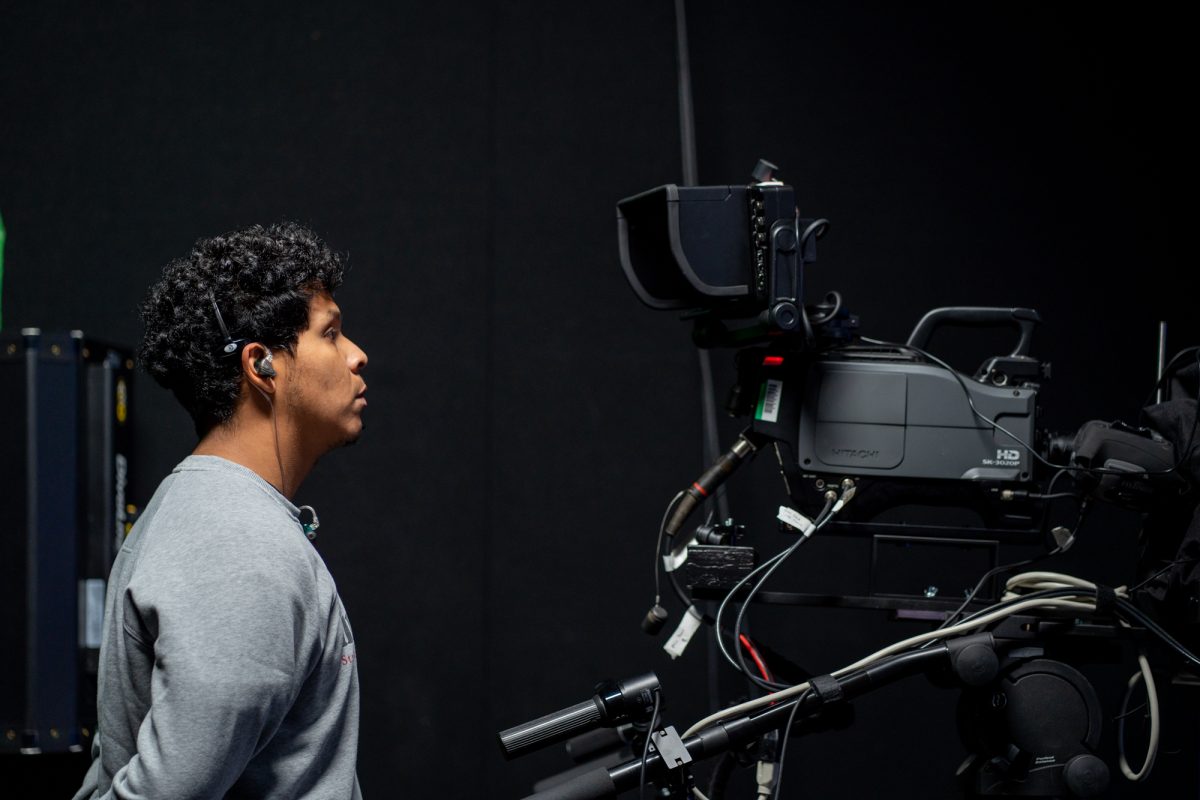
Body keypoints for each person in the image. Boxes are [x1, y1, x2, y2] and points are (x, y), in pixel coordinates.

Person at [72, 221, 368, 799]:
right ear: (261, 366)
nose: (357, 355)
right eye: (330, 334)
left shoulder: (214, 511)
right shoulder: (235, 542)